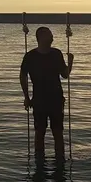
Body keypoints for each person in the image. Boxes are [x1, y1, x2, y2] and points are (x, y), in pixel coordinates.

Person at [20, 26, 74, 159]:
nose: (52, 36)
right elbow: (22, 76)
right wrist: (26, 97)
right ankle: (39, 160)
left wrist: (71, 62)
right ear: (40, 37)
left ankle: (59, 161)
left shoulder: (56, 53)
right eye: (49, 34)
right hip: (39, 99)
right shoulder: (30, 56)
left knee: (58, 132)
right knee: (39, 132)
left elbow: (65, 74)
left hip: (56, 98)